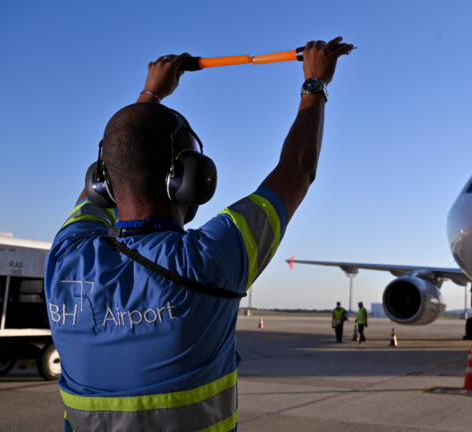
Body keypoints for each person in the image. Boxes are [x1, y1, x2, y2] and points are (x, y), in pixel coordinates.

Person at [44, 37, 352, 432]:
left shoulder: (66, 258)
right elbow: (297, 170)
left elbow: (115, 163)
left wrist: (149, 94)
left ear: (102, 183)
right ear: (188, 181)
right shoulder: (209, 260)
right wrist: (315, 84)